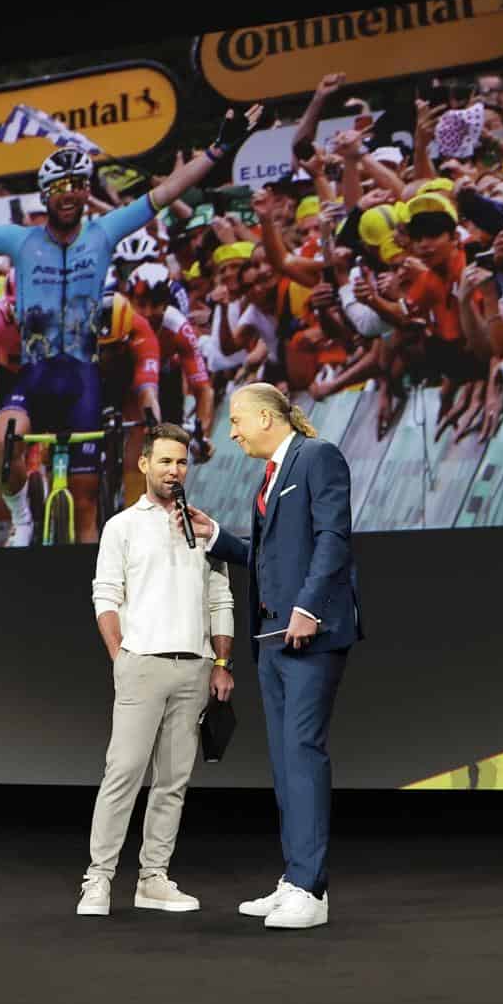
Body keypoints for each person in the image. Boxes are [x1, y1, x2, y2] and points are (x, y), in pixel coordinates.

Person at [0, 104, 263, 543]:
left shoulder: (103, 232)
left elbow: (165, 192)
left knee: (84, 501)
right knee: (5, 437)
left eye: (78, 185)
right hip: (37, 373)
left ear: (86, 192)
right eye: (60, 186)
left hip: (84, 379)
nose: (70, 194)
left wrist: (219, 149)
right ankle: (23, 513)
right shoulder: (21, 240)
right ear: (45, 195)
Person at [179, 383, 364, 931]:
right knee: (285, 761)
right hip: (271, 639)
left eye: (236, 421)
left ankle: (311, 888)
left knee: (302, 752)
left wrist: (309, 606)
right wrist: (220, 539)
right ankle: (295, 878)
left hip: (309, 633)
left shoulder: (317, 457)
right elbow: (268, 557)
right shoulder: (271, 474)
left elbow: (333, 537)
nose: (231, 432)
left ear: (265, 417)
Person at [82, 422, 237, 916]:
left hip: (194, 668)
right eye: (165, 461)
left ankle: (153, 878)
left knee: (173, 781)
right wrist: (119, 656)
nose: (174, 471)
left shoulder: (204, 527)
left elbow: (221, 598)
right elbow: (105, 595)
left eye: (181, 462)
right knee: (123, 774)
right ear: (145, 464)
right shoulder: (122, 526)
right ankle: (98, 879)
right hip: (142, 665)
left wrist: (222, 661)